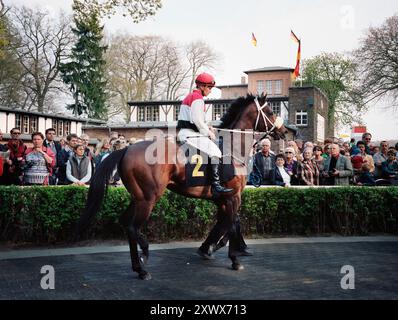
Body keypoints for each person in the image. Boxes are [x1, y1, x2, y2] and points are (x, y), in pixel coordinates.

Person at [177, 72, 232, 195]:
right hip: (191, 134)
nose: (210, 90)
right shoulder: (197, 98)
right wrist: (208, 132)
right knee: (216, 152)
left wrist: (208, 126)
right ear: (201, 86)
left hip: (187, 132)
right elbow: (197, 120)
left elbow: (197, 119)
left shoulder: (191, 96)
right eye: (209, 87)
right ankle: (216, 186)